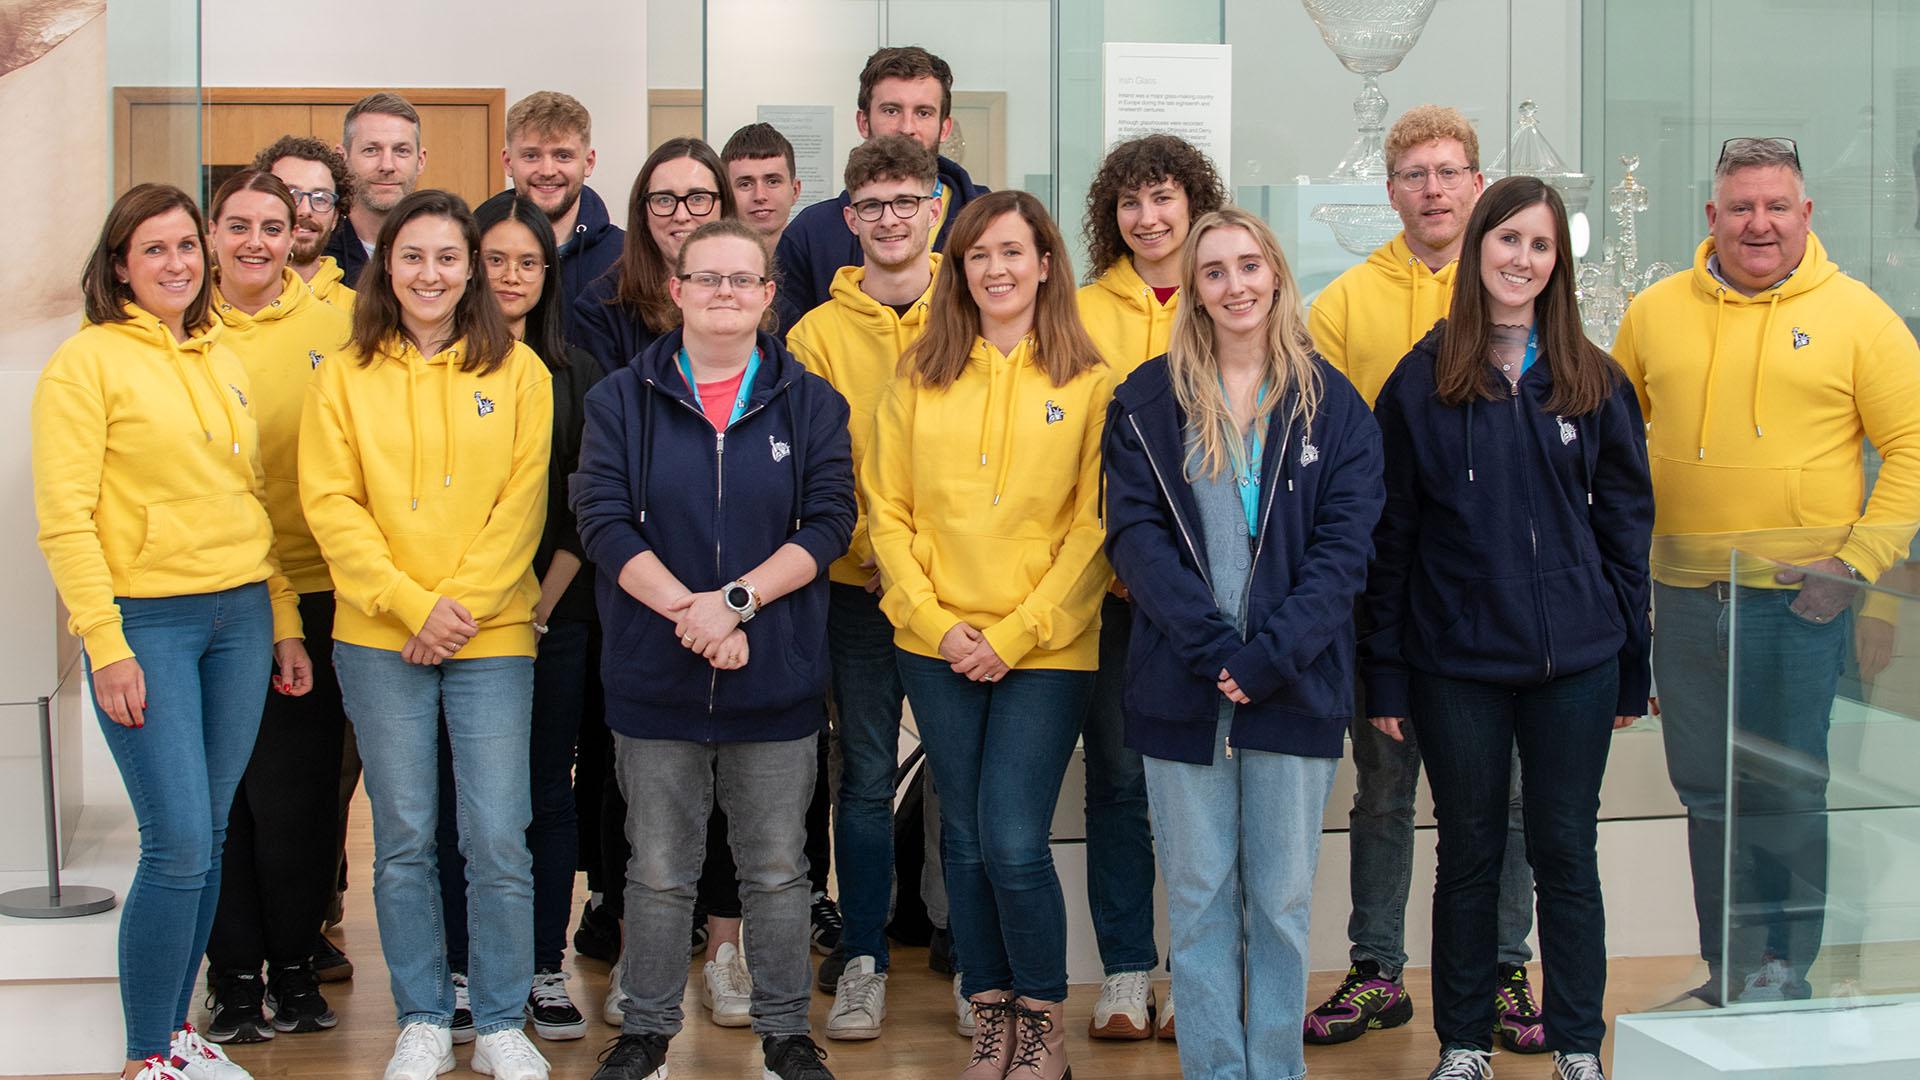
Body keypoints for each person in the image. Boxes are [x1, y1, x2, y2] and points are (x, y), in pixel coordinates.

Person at [1613, 137, 1920, 1004]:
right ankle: (1730, 973)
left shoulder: (1861, 317)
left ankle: (1788, 974)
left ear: (1806, 214)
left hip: (1800, 608)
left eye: (1776, 206)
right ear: (1711, 217)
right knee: (1708, 795)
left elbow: (1912, 451)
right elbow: (1607, 450)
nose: (1759, 223)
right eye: (1740, 207)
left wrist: (1854, 564)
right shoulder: (1654, 313)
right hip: (1681, 601)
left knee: (1788, 792)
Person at [1365, 177, 1653, 1080]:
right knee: (1471, 850)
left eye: (1539, 245)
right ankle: (1460, 1044)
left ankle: (1576, 1042)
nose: (1521, 259)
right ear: (1478, 249)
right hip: (1457, 663)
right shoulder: (1419, 385)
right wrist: (1384, 676)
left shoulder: (1594, 380)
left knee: (1567, 848)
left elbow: (1626, 532)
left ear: (1556, 261)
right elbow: (1391, 542)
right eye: (1507, 241)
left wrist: (1631, 665)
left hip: (1578, 663)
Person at [32, 182, 310, 1080]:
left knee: (211, 839)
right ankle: (145, 1055)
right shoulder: (87, 363)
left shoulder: (219, 354)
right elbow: (65, 521)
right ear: (119, 264)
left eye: (188, 246)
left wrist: (281, 620)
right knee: (180, 839)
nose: (178, 263)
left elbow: (252, 503)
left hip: (237, 618)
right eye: (154, 249)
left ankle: (179, 1036)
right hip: (147, 624)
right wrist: (103, 644)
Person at [1104, 204, 1383, 1080]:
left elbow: (1346, 551)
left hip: (1294, 685)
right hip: (1181, 685)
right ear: (1194, 287)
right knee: (1195, 897)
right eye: (1215, 270)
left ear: (1277, 275)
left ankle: (1277, 1068)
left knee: (1283, 899)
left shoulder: (1332, 405)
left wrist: (1269, 657)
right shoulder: (1147, 402)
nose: (1236, 285)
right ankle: (1217, 1070)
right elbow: (1135, 539)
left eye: (1249, 266)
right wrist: (1213, 650)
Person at [572, 217, 853, 1080]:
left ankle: (784, 1035)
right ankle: (648, 1034)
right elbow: (602, 522)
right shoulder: (620, 399)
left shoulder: (812, 403)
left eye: (743, 280)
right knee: (655, 871)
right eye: (708, 279)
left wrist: (735, 606)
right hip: (654, 679)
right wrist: (690, 617)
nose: (725, 293)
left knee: (776, 871)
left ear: (769, 296)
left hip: (776, 683)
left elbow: (831, 522)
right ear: (677, 291)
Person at [1303, 105, 1547, 1055]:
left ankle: (1505, 974)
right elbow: (1323, 452)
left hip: (1501, 598)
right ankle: (1376, 972)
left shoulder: (1522, 290)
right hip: (1388, 589)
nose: (1434, 190)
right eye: (1414, 174)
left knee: (1507, 797)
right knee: (1383, 791)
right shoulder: (1344, 305)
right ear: (1390, 188)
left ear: (1478, 184)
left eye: (1450, 172)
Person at [299, 189, 554, 1080]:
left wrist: (455, 611)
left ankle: (497, 1021)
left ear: (473, 269)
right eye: (414, 256)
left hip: (491, 636)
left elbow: (522, 510)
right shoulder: (341, 375)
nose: (432, 274)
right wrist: (413, 608)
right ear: (387, 266)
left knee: (496, 835)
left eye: (450, 257)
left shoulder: (521, 373)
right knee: (404, 833)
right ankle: (418, 1014)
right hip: (379, 637)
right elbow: (332, 506)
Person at [864, 190, 1110, 1080]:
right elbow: (884, 513)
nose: (997, 269)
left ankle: (1041, 1021)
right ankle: (992, 1014)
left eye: (1014, 252)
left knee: (1011, 837)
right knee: (960, 841)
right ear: (957, 271)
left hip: (1045, 650)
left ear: (1046, 262)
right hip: (934, 645)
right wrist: (938, 624)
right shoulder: (918, 375)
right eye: (978, 256)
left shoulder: (1090, 381)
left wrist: (1016, 632)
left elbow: (1096, 529)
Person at [427, 193, 603, 1043]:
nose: (510, 275)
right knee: (465, 799)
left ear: (548, 272)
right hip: (457, 617)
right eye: (493, 259)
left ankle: (540, 965)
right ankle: (462, 972)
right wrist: (479, 606)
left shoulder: (577, 370)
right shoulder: (440, 364)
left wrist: (536, 606)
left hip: (553, 611)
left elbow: (582, 505)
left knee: (543, 791)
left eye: (527, 261)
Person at [786, 133, 943, 1042]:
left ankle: (979, 962)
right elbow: (812, 471)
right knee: (865, 775)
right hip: (854, 588)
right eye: (872, 206)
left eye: (906, 202)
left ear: (934, 211)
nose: (890, 220)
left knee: (960, 777)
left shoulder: (970, 314)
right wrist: (870, 543)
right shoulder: (813, 336)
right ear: (850, 220)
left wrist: (921, 553)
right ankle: (863, 960)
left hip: (953, 593)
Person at [1073, 131, 1228, 1042]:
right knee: (1121, 783)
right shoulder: (1081, 308)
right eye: (1131, 202)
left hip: (1216, 598)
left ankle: (1198, 972)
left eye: (1164, 197)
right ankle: (1128, 971)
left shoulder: (1227, 297)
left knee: (1206, 787)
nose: (1148, 216)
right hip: (1119, 595)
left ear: (1194, 201)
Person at [197, 169, 354, 1045]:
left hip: (318, 594)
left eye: (275, 224)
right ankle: (232, 978)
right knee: (225, 799)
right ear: (212, 234)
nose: (257, 241)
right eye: (238, 225)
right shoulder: (180, 334)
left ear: (300, 232)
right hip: (216, 594)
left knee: (296, 801)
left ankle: (295, 965)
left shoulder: (335, 329)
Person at [774, 45, 988, 331]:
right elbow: (784, 350)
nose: (907, 127)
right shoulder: (811, 234)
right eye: (891, 110)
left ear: (944, 128)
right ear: (863, 122)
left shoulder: (990, 222)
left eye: (923, 112)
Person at [572, 137, 733, 378]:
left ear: (725, 206)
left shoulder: (759, 301)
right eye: (664, 199)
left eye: (698, 198)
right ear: (643, 211)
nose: (681, 215)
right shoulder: (601, 307)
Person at [479, 91, 624, 338]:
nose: (547, 170)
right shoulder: (473, 245)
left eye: (563, 156)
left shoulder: (624, 257)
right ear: (507, 161)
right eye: (531, 155)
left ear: (588, 162)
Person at [325, 92, 426, 287]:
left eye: (401, 151)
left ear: (420, 161)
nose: (387, 165)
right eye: (371, 150)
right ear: (341, 158)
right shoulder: (316, 250)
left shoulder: (443, 250)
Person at [252, 136, 357, 311]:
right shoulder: (215, 302)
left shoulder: (361, 314)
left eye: (321, 198)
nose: (305, 210)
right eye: (291, 194)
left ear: (335, 217)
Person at [724, 122, 804, 254]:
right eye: (745, 184)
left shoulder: (821, 263)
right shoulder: (707, 266)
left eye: (772, 182)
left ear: (795, 191)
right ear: (726, 194)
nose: (760, 196)